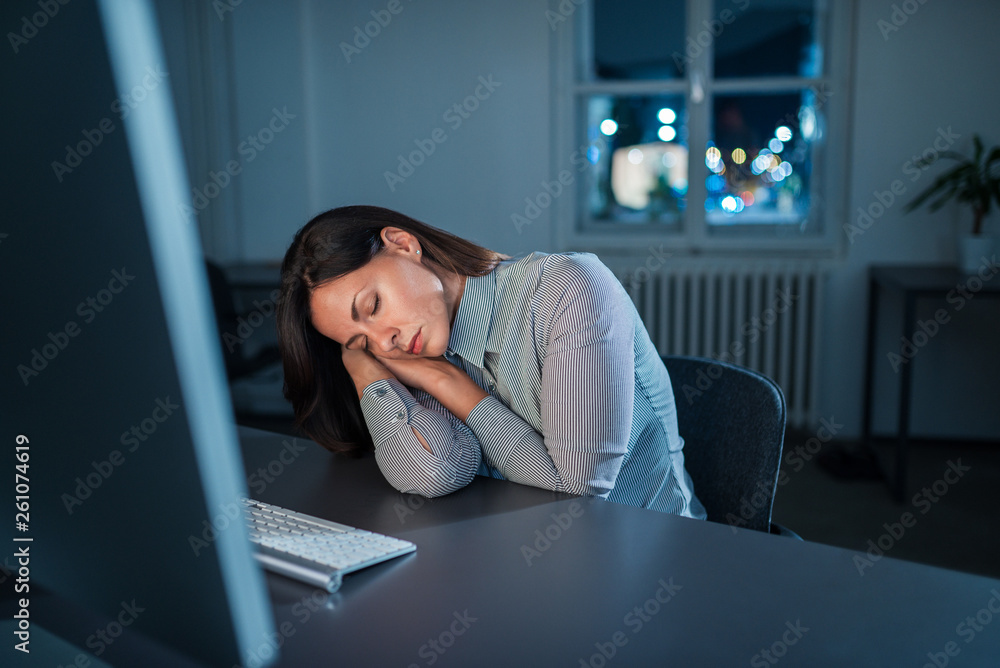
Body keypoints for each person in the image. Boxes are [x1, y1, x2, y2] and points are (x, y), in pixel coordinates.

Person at [277, 205, 705, 518]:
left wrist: (449, 384)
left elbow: (580, 491)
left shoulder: (569, 291)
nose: (382, 340)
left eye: (372, 306)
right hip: (532, 561)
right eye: (359, 340)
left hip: (651, 554)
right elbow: (431, 471)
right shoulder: (412, 343)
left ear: (403, 244)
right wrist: (365, 370)